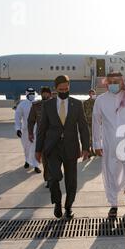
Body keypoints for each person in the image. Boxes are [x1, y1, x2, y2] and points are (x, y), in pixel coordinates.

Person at [35, 75, 90, 220]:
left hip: (71, 147)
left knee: (71, 180)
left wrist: (86, 147)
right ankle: (57, 203)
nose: (64, 91)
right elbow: (42, 128)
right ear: (56, 89)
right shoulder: (48, 105)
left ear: (69, 87)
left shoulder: (77, 104)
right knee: (53, 178)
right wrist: (38, 150)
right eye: (61, 89)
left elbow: (83, 127)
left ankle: (68, 207)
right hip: (52, 147)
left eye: (66, 88)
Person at [93, 72, 125, 219]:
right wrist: (97, 143)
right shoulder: (101, 100)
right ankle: (113, 205)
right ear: (106, 83)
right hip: (109, 144)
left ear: (122, 82)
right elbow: (96, 122)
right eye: (110, 81)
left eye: (116, 81)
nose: (113, 84)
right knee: (111, 175)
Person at [28, 86, 52, 187]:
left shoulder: (55, 104)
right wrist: (30, 133)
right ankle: (48, 179)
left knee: (54, 159)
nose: (45, 95)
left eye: (47, 93)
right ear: (41, 94)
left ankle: (52, 177)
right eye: (43, 93)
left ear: (50, 94)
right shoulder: (36, 106)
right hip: (42, 136)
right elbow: (31, 121)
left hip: (53, 136)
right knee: (45, 159)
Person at [15, 87, 41, 174]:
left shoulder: (38, 104)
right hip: (25, 131)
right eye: (30, 94)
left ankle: (36, 165)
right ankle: (27, 160)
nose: (31, 96)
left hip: (36, 130)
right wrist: (18, 129)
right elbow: (17, 117)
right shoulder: (22, 105)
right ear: (26, 94)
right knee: (26, 148)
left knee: (35, 148)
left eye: (33, 94)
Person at [83, 89, 97, 156]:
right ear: (89, 94)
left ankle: (94, 150)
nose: (92, 95)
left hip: (95, 121)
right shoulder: (86, 102)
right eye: (91, 93)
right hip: (88, 121)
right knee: (89, 136)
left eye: (93, 93)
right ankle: (89, 150)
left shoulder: (97, 102)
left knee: (95, 136)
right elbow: (83, 112)